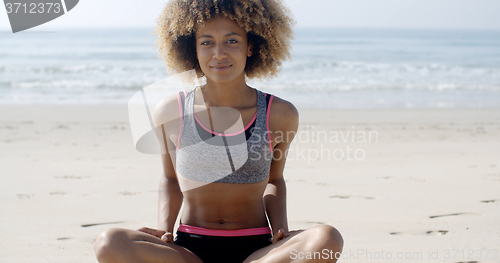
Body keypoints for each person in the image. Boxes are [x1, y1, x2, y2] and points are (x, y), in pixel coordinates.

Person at [93, 0, 343, 262]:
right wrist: (164, 230)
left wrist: (280, 229)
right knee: (109, 242)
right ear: (194, 50)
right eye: (207, 42)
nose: (219, 54)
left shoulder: (279, 114)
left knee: (327, 238)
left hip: (257, 252)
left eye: (232, 41)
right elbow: (170, 179)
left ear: (251, 47)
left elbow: (274, 180)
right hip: (189, 251)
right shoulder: (171, 111)